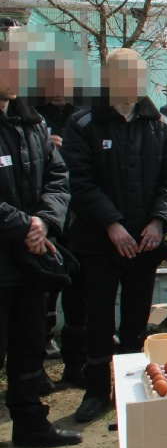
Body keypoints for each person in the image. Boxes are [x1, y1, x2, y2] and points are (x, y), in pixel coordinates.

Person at [63, 49, 167, 423]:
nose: (134, 82)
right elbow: (79, 183)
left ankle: (132, 393)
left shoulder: (160, 125)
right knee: (98, 317)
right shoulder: (83, 124)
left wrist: (159, 222)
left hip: (144, 244)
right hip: (98, 243)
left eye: (139, 74)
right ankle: (97, 390)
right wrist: (111, 224)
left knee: (135, 320)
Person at [0, 36, 77, 447]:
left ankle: (31, 426)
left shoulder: (30, 122)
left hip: (31, 261)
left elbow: (57, 176)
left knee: (29, 347)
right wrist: (23, 225)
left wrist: (44, 222)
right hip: (6, 256)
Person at [34, 57, 85, 388]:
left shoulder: (81, 115)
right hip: (41, 214)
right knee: (39, 287)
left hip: (78, 212)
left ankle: (75, 359)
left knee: (78, 287)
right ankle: (38, 349)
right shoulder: (32, 115)